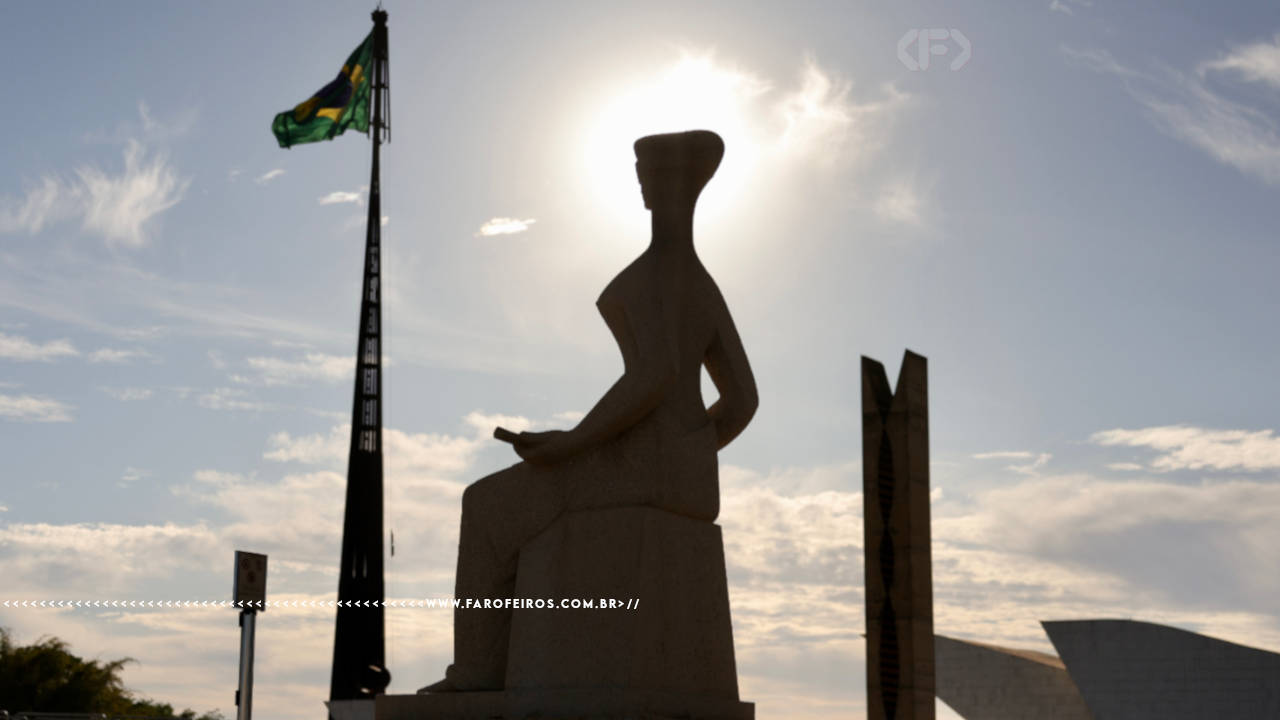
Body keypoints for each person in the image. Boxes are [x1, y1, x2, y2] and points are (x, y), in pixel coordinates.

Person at [421, 129, 757, 692]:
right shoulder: (703, 284)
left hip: (642, 466)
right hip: (687, 473)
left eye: (645, 175)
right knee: (511, 496)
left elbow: (656, 373)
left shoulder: (650, 275)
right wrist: (691, 452)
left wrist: (571, 445)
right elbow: (743, 401)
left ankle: (477, 669)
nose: (641, 185)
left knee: (485, 505)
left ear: (657, 185)